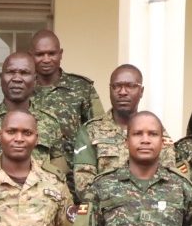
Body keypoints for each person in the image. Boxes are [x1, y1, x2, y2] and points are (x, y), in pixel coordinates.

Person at [0, 53, 78, 184]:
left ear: (35, 79)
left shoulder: (50, 122)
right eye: (11, 72)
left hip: (38, 198)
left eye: (24, 73)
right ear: (1, 78)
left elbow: (59, 170)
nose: (17, 79)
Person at [73, 65, 176, 194]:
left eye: (130, 86)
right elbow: (84, 185)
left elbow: (169, 178)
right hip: (105, 209)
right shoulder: (90, 131)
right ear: (110, 89)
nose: (122, 92)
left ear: (141, 91)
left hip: (151, 208)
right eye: (116, 86)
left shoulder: (155, 130)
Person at [29, 30, 102, 137]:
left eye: (51, 53)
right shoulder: (23, 88)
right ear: (31, 56)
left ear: (60, 54)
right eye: (40, 54)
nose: (46, 59)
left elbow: (99, 128)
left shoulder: (82, 88)